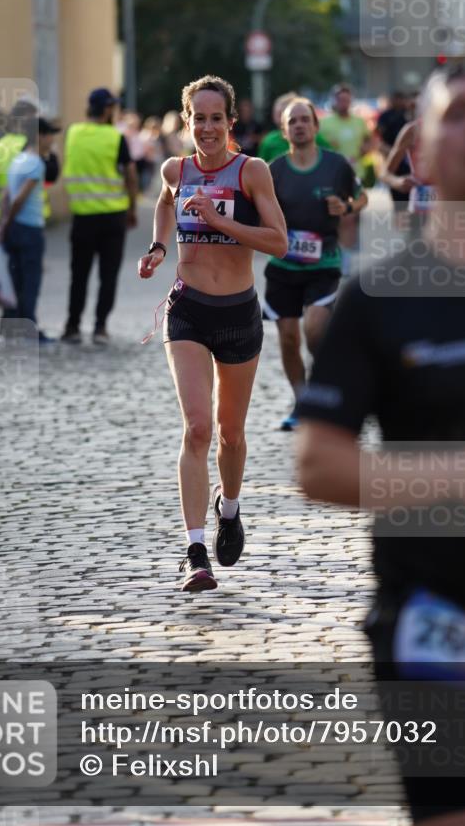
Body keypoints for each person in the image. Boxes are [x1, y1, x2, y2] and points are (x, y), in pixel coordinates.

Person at [297, 59, 465, 826]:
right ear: (422, 158)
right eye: (456, 114)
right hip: (431, 624)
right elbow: (318, 463)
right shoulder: (377, 299)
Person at [138, 74, 287, 592]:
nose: (206, 127)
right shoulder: (175, 169)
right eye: (198, 118)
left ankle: (230, 508)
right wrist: (159, 248)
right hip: (188, 311)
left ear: (230, 121)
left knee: (231, 433)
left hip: (238, 314)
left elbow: (279, 242)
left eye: (215, 118)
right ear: (186, 121)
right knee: (198, 427)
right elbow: (164, 202)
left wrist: (221, 222)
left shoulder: (252, 172)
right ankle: (194, 551)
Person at [263, 96, 367, 431]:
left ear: (315, 126)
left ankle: (329, 388)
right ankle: (302, 402)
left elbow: (361, 197)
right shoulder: (274, 170)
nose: (299, 125)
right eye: (292, 121)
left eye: (304, 119)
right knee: (288, 338)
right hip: (283, 266)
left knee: (315, 330)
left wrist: (346, 208)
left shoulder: (336, 165)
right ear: (284, 130)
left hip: (324, 262)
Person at [61, 87, 137, 345]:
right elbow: (130, 175)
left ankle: (72, 326)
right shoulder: (116, 137)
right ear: (107, 109)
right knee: (108, 275)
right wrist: (132, 208)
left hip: (82, 217)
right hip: (112, 216)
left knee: (79, 275)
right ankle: (100, 327)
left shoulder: (73, 132)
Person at [0, 117, 61, 343]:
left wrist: (4, 223)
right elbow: (19, 199)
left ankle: (9, 326)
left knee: (15, 279)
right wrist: (8, 221)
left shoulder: (18, 159)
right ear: (39, 136)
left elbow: (6, 195)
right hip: (29, 229)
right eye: (49, 135)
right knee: (30, 282)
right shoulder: (36, 163)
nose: (52, 140)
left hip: (15, 228)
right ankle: (28, 328)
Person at [319, 84, 369, 163]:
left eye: (346, 100)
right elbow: (317, 146)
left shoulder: (360, 122)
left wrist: (364, 150)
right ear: (334, 101)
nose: (343, 103)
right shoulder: (324, 123)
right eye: (340, 100)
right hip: (334, 168)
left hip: (357, 168)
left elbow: (369, 140)